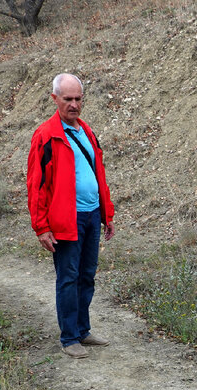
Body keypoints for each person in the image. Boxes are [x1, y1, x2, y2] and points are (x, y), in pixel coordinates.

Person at [26, 73, 116, 358]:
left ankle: (83, 330)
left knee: (87, 276)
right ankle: (69, 338)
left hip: (91, 216)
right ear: (55, 99)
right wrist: (41, 227)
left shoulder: (86, 131)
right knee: (68, 277)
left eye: (78, 99)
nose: (74, 104)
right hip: (66, 219)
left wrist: (107, 213)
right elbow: (36, 185)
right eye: (68, 99)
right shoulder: (46, 136)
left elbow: (98, 175)